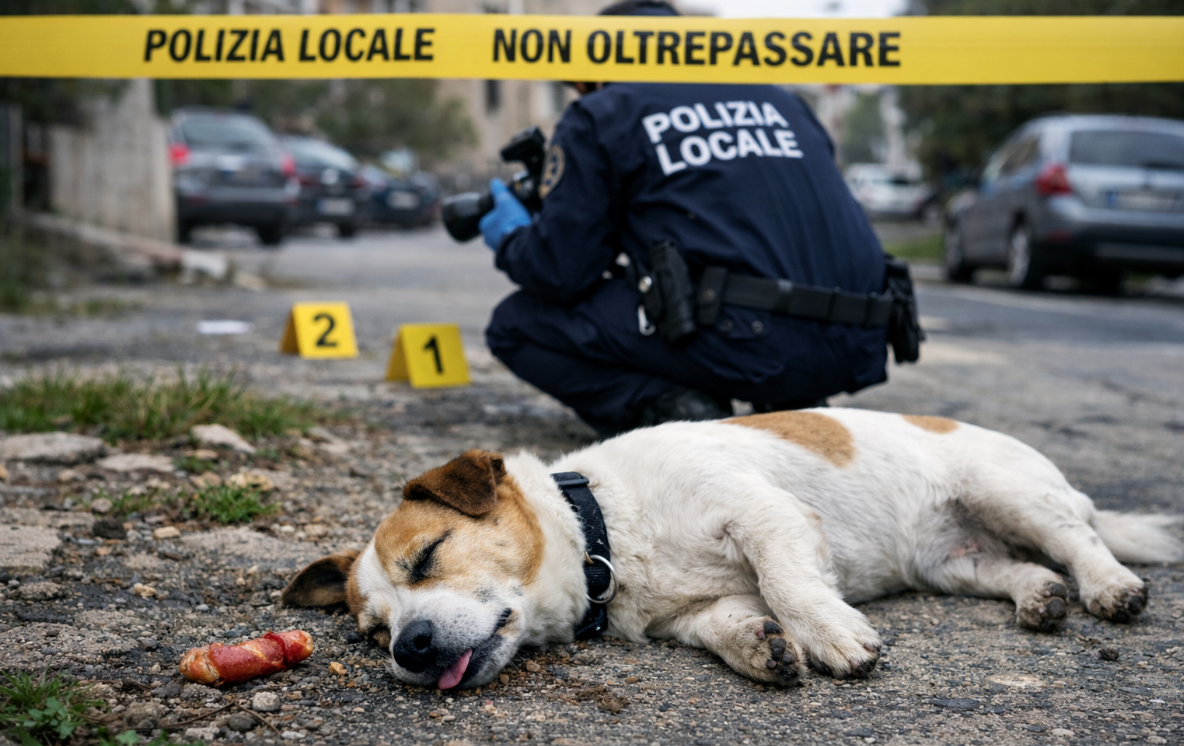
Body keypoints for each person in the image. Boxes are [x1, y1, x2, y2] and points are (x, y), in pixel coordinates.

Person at [480, 0, 909, 437]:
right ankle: (790, 399)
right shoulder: (784, 101)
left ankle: (679, 412)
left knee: (517, 325)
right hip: (860, 337)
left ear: (598, 63)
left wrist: (514, 235)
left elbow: (561, 271)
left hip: (757, 342)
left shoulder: (602, 112)